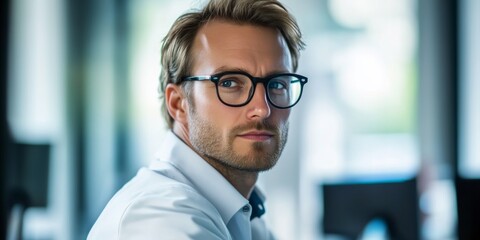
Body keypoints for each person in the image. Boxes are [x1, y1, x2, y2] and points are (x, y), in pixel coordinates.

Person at [87, 0, 306, 239]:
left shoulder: (243, 213)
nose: (262, 109)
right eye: (229, 83)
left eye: (277, 84)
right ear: (178, 103)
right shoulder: (159, 218)